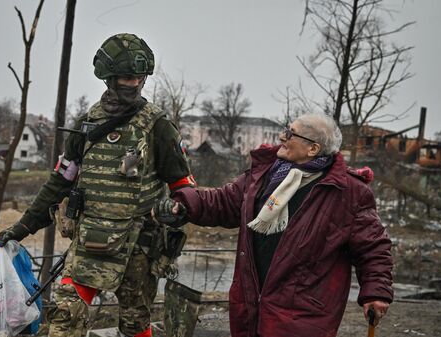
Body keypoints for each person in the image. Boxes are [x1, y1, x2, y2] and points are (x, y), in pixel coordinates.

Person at [0, 33, 195, 337]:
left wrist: (178, 209)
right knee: (64, 319)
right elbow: (60, 182)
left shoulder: (158, 126)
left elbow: (184, 187)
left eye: (139, 77)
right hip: (90, 244)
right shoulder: (87, 124)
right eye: (127, 77)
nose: (134, 83)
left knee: (135, 326)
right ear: (109, 78)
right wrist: (22, 228)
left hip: (139, 248)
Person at [153, 113, 393, 337]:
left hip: (302, 317)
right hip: (251, 307)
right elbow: (224, 202)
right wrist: (184, 203)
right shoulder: (266, 175)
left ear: (313, 148)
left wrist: (376, 292)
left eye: (291, 134)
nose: (282, 138)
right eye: (285, 131)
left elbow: (373, 248)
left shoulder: (348, 192)